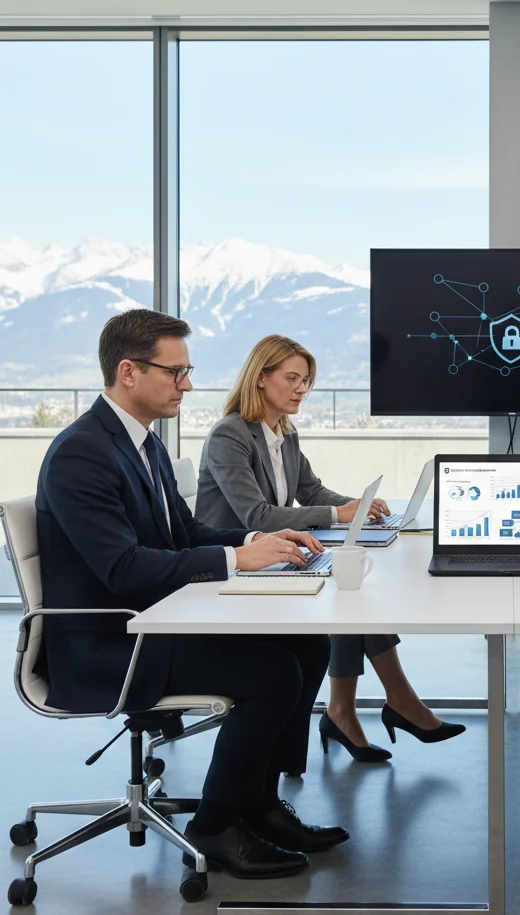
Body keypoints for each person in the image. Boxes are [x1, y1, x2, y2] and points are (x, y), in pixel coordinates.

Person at [35, 308, 349, 880]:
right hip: (111, 642)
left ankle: (259, 806)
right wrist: (236, 560)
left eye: (187, 371)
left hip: (154, 622)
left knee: (308, 645)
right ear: (128, 372)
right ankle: (216, 825)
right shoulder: (83, 453)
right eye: (175, 372)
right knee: (272, 673)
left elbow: (185, 533)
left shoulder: (143, 443)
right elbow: (123, 569)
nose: (187, 384)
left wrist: (256, 540)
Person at [195, 334, 464, 763]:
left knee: (352, 594)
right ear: (261, 378)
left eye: (306, 381)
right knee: (347, 598)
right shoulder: (231, 435)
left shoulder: (284, 432)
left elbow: (312, 491)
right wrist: (340, 514)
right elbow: (256, 516)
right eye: (292, 378)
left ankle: (349, 711)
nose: (301, 389)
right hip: (233, 571)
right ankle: (386, 704)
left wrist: (356, 507)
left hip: (273, 561)